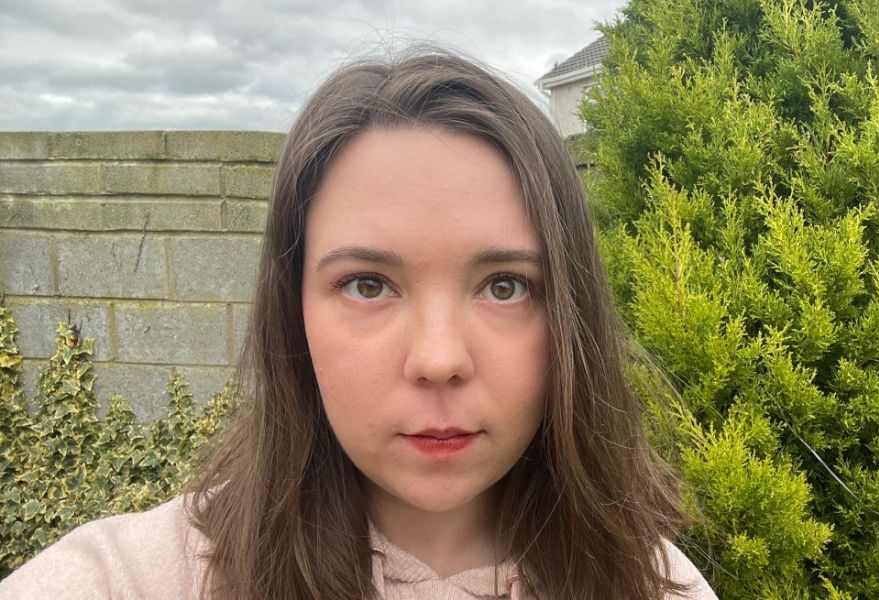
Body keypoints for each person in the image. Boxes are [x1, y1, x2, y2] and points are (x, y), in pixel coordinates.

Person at [0, 48, 717, 600]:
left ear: (569, 316)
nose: (439, 360)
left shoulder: (656, 585)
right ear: (294, 317)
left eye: (505, 286)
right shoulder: (138, 576)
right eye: (368, 284)